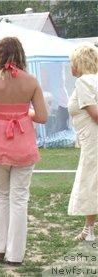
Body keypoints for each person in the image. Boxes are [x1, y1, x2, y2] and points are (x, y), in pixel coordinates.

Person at [0, 37, 48, 266]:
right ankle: (15, 255)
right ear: (21, 54)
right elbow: (43, 117)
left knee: (2, 196)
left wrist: (2, 114)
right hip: (24, 145)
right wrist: (24, 116)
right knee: (19, 199)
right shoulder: (32, 81)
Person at [67, 43, 98, 242]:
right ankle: (89, 228)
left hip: (93, 141)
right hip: (89, 139)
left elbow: (95, 114)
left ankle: (89, 230)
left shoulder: (83, 83)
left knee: (91, 181)